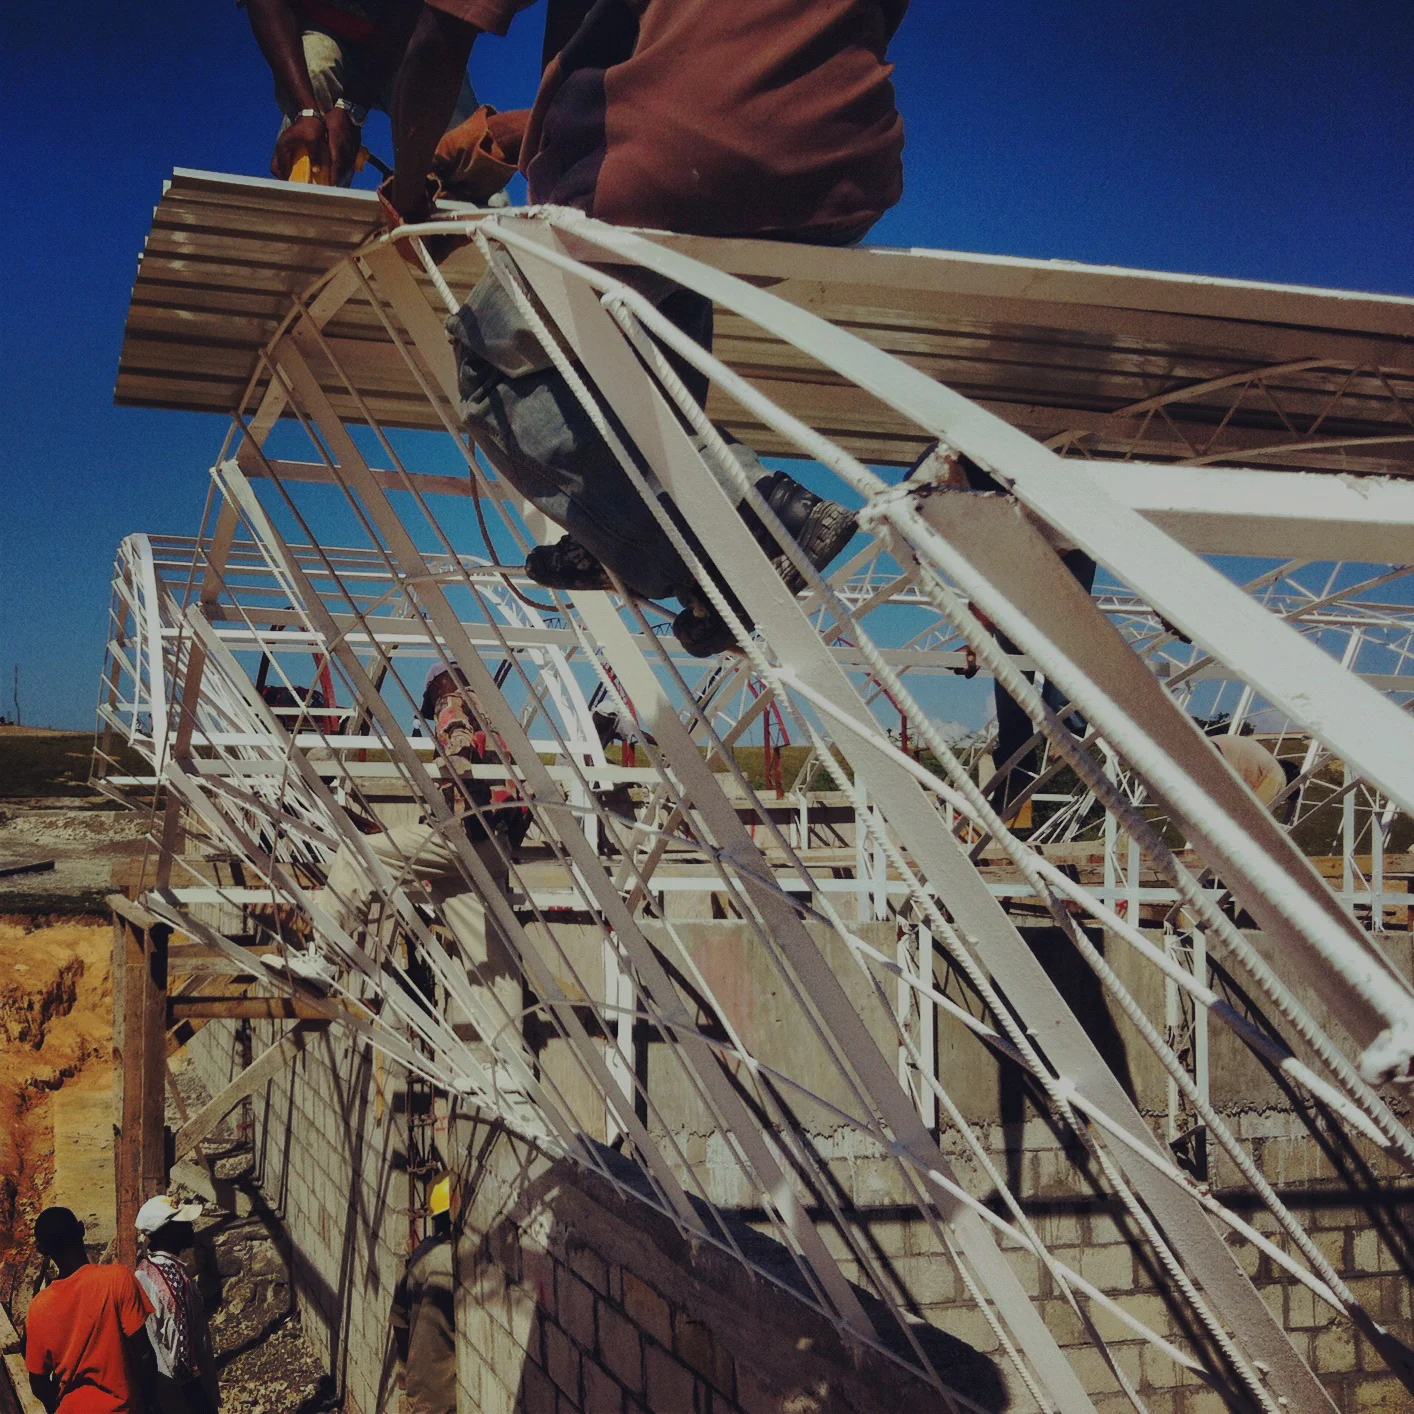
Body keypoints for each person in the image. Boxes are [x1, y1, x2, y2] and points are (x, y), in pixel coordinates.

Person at [379, 1, 911, 654]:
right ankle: (644, 530)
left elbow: (437, 39)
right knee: (653, 287)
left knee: (495, 365)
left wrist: (408, 195)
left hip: (670, 155)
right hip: (849, 169)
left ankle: (752, 520)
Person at [322, 663, 531, 1072]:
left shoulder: (453, 702)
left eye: (432, 691)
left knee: (359, 856)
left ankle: (326, 955)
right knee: (490, 961)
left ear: (440, 682)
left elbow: (457, 745)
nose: (433, 701)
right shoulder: (497, 716)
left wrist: (458, 784)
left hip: (465, 835)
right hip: (496, 842)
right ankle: (510, 1068)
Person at [242, 0, 521, 202]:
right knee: (316, 73)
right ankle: (309, 206)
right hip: (323, 28)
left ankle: (484, 216)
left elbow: (410, 12)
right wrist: (307, 111)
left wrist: (350, 108)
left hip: (405, 38)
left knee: (453, 123)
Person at [24, 1206, 154, 1414]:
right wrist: (148, 1403)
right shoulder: (118, 1279)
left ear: (41, 1249)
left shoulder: (39, 1306)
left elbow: (38, 1382)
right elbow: (144, 1354)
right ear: (82, 1229)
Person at [133, 1198, 220, 1414]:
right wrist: (199, 1400)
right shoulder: (167, 1280)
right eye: (183, 1223)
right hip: (179, 1396)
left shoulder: (152, 1270)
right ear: (165, 1233)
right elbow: (178, 1353)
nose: (191, 1227)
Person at [389, 1174, 457, 1414]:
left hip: (421, 1390)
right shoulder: (458, 1263)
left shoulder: (422, 1253)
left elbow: (399, 1319)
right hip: (450, 1395)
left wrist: (408, 1367)